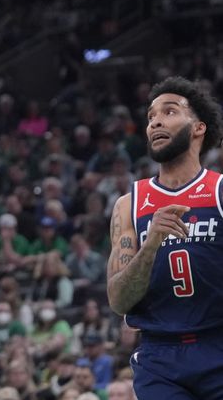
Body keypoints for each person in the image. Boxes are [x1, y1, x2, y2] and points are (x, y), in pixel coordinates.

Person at [107, 76, 223, 399]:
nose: (155, 121)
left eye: (169, 111)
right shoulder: (129, 204)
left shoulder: (219, 191)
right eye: (151, 116)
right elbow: (118, 300)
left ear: (198, 128)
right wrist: (151, 243)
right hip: (160, 358)